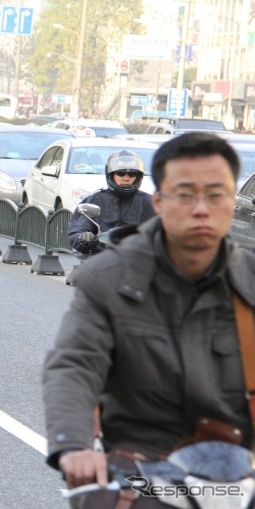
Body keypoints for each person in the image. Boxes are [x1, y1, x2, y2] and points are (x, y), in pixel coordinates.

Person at [42, 132, 252, 504]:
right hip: (143, 460)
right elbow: (75, 365)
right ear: (159, 201)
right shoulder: (107, 278)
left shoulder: (249, 283)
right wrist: (73, 445)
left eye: (216, 194)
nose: (201, 208)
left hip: (235, 463)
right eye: (185, 194)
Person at [67, 150, 156, 255]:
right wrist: (83, 237)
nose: (126, 178)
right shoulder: (96, 200)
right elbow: (78, 229)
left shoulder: (149, 202)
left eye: (132, 174)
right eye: (121, 173)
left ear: (138, 176)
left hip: (139, 259)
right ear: (111, 174)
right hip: (101, 259)